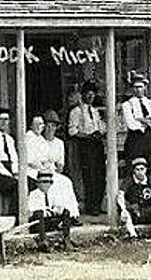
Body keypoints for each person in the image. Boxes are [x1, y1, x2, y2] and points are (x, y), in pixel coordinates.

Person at [24, 112, 81, 219]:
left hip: (51, 171)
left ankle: (71, 214)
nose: (50, 129)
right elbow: (34, 160)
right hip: (38, 170)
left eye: (53, 126)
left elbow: (60, 164)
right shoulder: (37, 140)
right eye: (48, 126)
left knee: (65, 182)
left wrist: (54, 169)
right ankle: (54, 214)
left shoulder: (59, 143)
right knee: (54, 183)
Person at [68, 81, 106, 215]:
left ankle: (98, 204)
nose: (91, 97)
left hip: (97, 144)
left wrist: (100, 132)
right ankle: (91, 206)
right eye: (88, 94)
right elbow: (72, 131)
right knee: (89, 176)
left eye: (92, 94)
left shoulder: (95, 111)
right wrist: (88, 136)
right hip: (85, 145)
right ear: (82, 95)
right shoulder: (76, 111)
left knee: (100, 175)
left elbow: (101, 128)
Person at [27, 170, 74, 251]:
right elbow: (31, 211)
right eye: (44, 182)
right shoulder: (33, 194)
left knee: (66, 211)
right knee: (39, 213)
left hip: (49, 221)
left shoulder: (52, 194)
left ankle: (66, 239)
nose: (47, 184)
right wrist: (46, 212)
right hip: (38, 223)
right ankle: (43, 241)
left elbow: (57, 206)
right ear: (37, 183)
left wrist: (56, 210)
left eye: (50, 182)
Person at [121, 75, 151, 168]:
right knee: (134, 165)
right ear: (132, 89)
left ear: (145, 88)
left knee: (150, 164)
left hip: (150, 139)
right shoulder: (127, 104)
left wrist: (141, 120)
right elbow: (131, 124)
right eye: (135, 87)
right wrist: (148, 121)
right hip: (135, 138)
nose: (138, 90)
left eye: (140, 87)